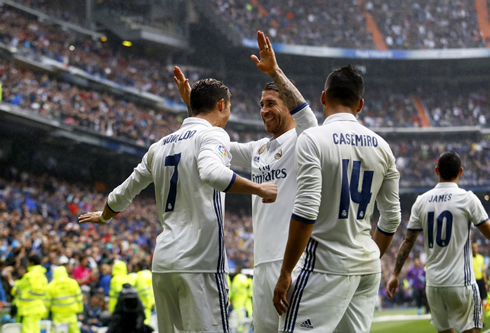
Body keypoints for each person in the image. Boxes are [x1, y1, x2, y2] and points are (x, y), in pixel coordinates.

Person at [79, 77, 277, 333]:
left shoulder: (159, 146)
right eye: (228, 107)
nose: (228, 113)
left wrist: (104, 216)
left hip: (163, 264)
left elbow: (122, 192)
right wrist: (258, 187)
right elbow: (212, 174)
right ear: (220, 104)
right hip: (200, 263)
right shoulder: (214, 134)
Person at [173, 30, 318, 332]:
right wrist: (196, 109)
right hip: (262, 265)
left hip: (293, 262)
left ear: (288, 106)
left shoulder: (304, 140)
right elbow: (212, 139)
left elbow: (307, 118)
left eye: (271, 103)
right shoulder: (258, 149)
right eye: (261, 104)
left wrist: (275, 72)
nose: (264, 110)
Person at [273, 65, 401, 332]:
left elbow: (307, 210)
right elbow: (392, 217)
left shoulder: (313, 139)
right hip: (366, 267)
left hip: (326, 265)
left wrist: (286, 272)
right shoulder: (382, 147)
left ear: (323, 98)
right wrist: (369, 256)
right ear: (361, 104)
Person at [387, 151, 490, 333]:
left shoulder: (421, 201)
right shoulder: (467, 199)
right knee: (472, 330)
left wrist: (395, 274)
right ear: (461, 172)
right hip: (461, 282)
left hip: (434, 285)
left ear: (437, 171)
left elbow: (408, 240)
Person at [11, 253, 48, 333]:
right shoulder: (43, 276)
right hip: (38, 308)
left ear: (31, 262)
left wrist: (15, 284)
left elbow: (16, 290)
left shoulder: (29, 276)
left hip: (27, 309)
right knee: (35, 330)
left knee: (27, 331)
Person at [47, 265, 84, 333]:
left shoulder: (51, 286)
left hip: (58, 315)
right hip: (71, 313)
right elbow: (79, 297)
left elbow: (47, 302)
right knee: (74, 330)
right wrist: (80, 309)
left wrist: (46, 314)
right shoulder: (73, 283)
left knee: (57, 330)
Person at [473, 242, 488, 319]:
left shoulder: (481, 258)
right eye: (473, 248)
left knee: (482, 299)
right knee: (473, 301)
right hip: (473, 282)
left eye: (475, 247)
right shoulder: (469, 258)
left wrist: (485, 283)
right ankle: (474, 318)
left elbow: (483, 271)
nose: (474, 249)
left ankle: (480, 318)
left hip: (480, 281)